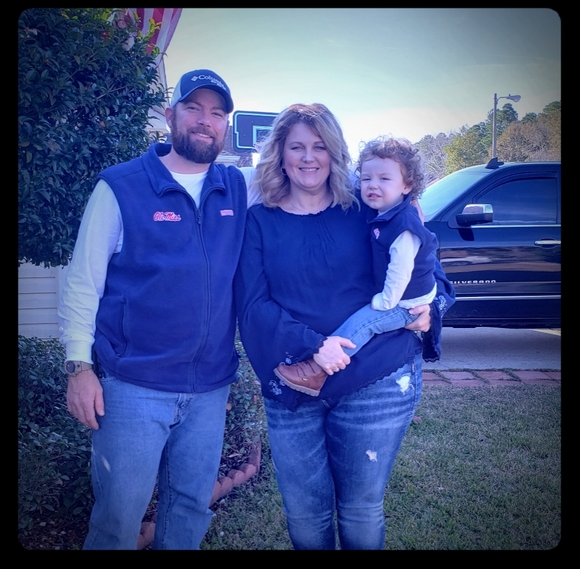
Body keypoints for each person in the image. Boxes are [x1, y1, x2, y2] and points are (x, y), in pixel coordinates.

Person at [234, 103, 455, 550]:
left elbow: (430, 272)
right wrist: (314, 346)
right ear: (279, 153)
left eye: (320, 146)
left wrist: (434, 309)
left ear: (335, 153)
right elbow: (253, 305)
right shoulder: (258, 221)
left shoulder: (370, 208)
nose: (308, 157)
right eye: (296, 147)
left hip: (375, 378)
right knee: (305, 514)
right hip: (293, 380)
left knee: (360, 509)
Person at [58, 69, 248, 550]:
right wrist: (79, 367)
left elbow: (311, 179)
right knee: (118, 521)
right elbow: (83, 281)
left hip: (209, 389)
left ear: (226, 125)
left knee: (190, 511)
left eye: (217, 113)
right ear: (170, 115)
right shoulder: (120, 186)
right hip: (133, 388)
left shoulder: (237, 186)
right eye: (193, 108)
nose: (205, 120)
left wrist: (398, 202)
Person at [274, 136, 439, 396]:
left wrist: (386, 301)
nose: (373, 185)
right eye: (366, 179)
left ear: (407, 185)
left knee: (364, 323)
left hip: (405, 301)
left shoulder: (404, 226)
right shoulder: (383, 213)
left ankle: (317, 370)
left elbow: (401, 271)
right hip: (403, 296)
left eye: (384, 179)